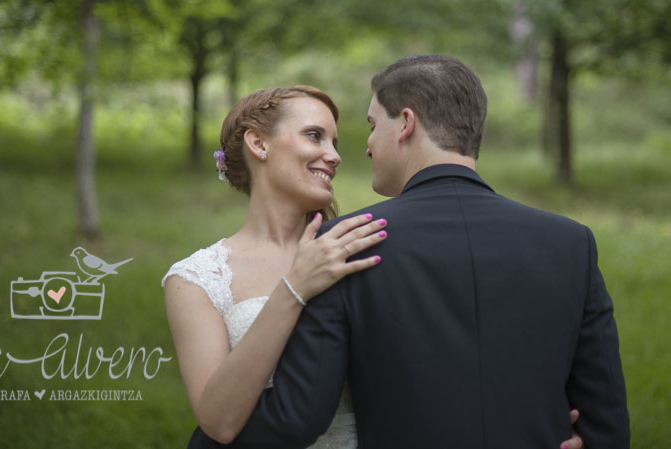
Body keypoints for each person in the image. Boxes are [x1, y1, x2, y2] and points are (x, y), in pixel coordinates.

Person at [188, 55, 628, 449]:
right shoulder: (571, 242)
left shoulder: (350, 242)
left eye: (372, 125)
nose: (364, 147)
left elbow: (296, 418)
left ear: (406, 124)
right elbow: (604, 417)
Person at [163, 86, 387, 448]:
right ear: (259, 144)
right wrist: (294, 287)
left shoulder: (355, 247)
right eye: (314, 135)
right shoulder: (196, 279)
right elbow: (218, 422)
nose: (333, 156)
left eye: (334, 143)